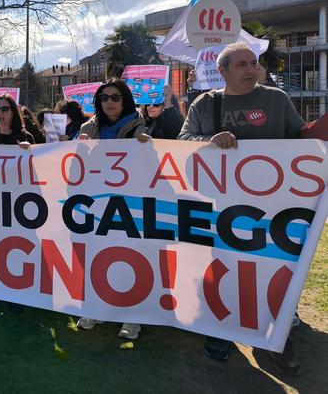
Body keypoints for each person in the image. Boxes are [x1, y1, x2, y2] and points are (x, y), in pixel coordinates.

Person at [178, 43, 304, 375]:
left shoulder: (276, 100)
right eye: (240, 65)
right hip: (223, 208)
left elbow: (302, 140)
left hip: (275, 206)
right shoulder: (206, 104)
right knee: (224, 269)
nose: (250, 70)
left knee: (273, 270)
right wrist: (209, 141)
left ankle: (277, 337)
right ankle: (222, 331)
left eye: (253, 63)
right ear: (221, 72)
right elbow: (182, 141)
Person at [76, 80, 150, 339]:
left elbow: (152, 169)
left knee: (129, 259)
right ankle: (96, 308)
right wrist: (80, 148)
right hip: (96, 203)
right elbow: (74, 169)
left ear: (125, 100)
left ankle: (132, 317)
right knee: (97, 257)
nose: (109, 101)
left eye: (115, 97)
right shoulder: (87, 127)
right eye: (104, 97)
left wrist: (146, 147)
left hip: (128, 205)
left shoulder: (140, 126)